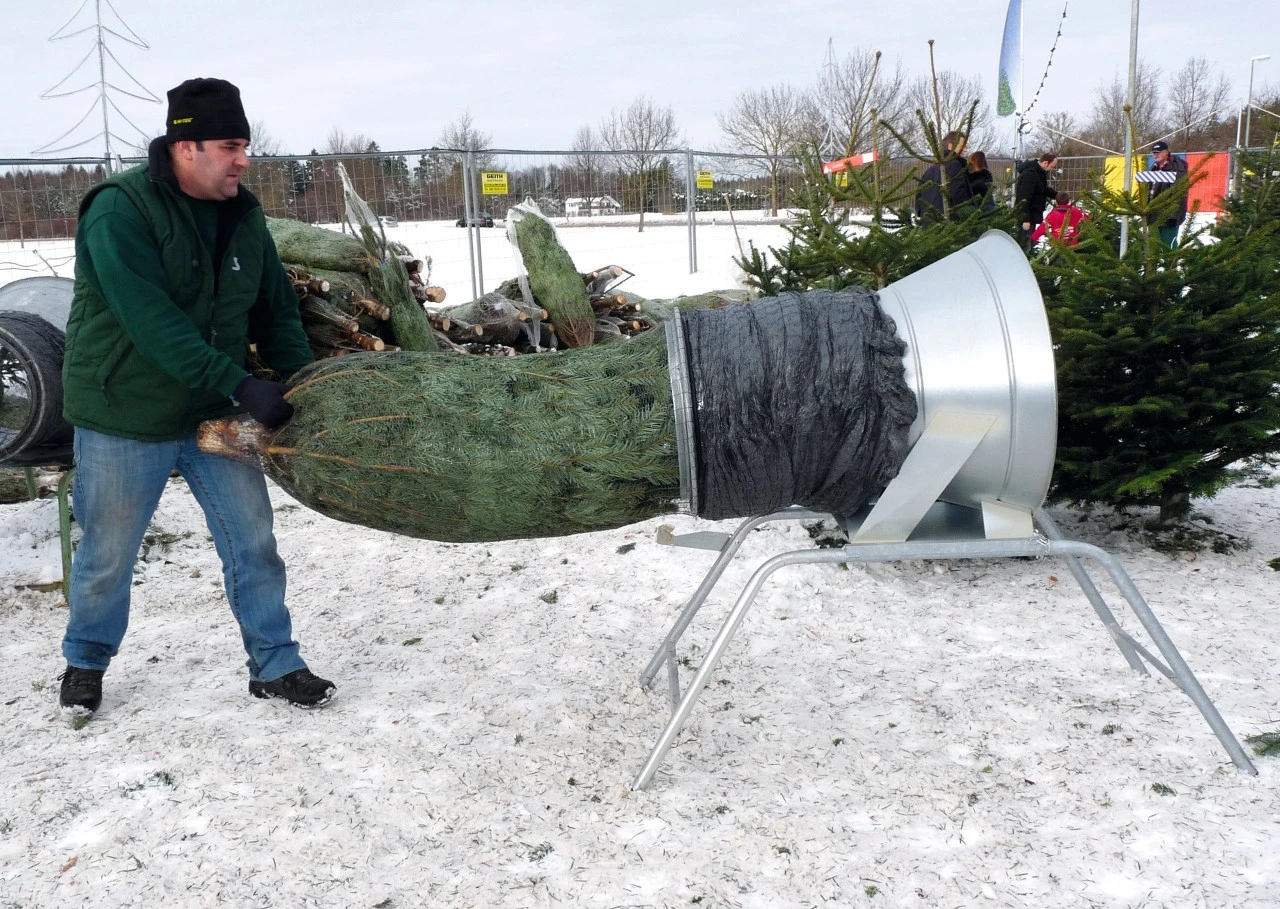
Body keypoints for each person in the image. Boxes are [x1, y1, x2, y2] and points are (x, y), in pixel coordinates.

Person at [57, 78, 336, 715]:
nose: (244, 160)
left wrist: (302, 382)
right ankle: (85, 661)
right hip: (125, 412)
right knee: (107, 552)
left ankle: (275, 663)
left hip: (212, 416)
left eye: (246, 145)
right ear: (186, 148)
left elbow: (276, 308)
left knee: (253, 540)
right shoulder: (118, 210)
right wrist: (240, 382)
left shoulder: (244, 213)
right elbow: (149, 320)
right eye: (230, 145)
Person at [914, 131, 974, 223]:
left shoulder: (929, 171)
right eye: (963, 146)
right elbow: (959, 197)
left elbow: (918, 203)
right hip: (951, 228)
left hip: (928, 229)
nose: (965, 149)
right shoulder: (955, 165)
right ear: (951, 147)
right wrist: (972, 214)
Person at [1146, 140, 1188, 248]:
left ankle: (1171, 265)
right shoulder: (1154, 168)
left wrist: (1173, 217)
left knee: (1168, 246)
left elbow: (1180, 194)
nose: (1156, 155)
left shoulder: (1178, 168)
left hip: (1168, 217)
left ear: (1166, 152)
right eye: (1154, 153)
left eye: (1159, 152)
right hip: (1153, 215)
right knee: (1152, 247)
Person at [1014, 152, 1058, 250]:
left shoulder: (1039, 174)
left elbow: (1043, 189)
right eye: (1052, 166)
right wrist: (1025, 219)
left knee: (1029, 242)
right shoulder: (1030, 175)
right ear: (1046, 163)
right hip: (1026, 217)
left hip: (1032, 215)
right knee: (1024, 245)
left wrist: (1057, 195)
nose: (1052, 169)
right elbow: (1024, 198)